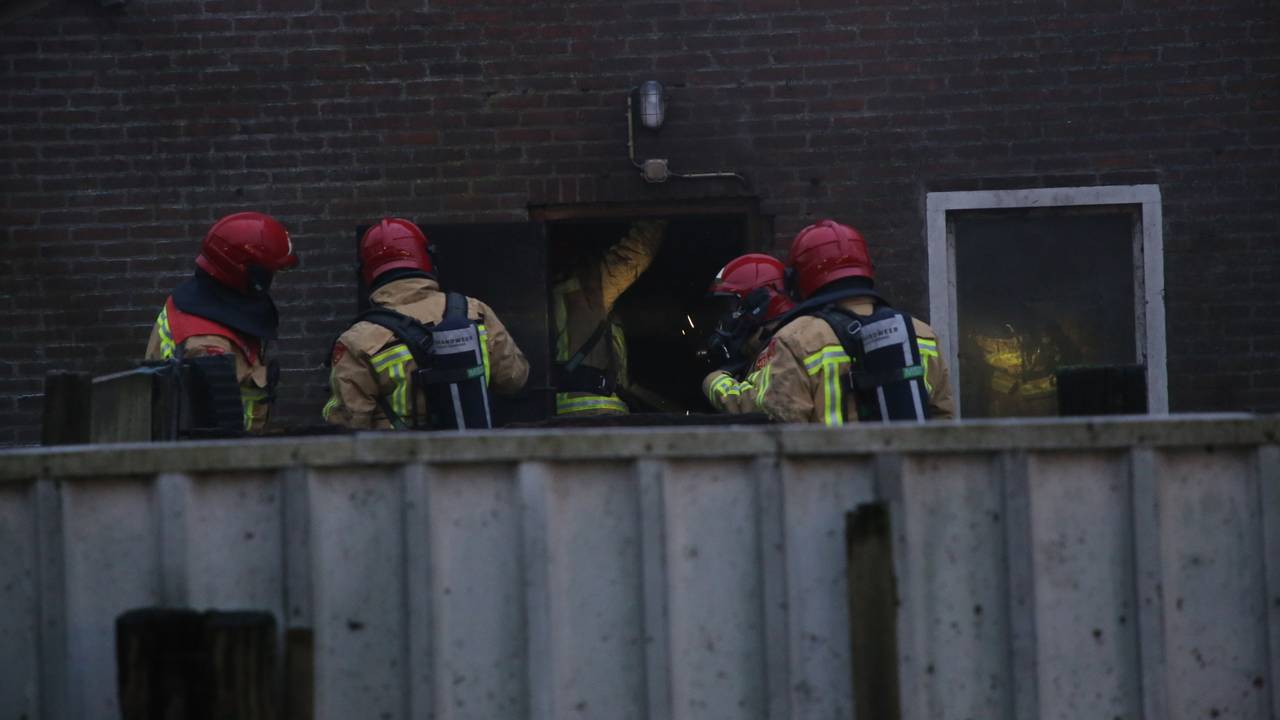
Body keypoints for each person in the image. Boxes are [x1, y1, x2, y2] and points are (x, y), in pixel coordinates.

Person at [322, 218, 529, 430]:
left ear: (365, 274)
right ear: (428, 259)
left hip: (399, 460)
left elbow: (348, 422)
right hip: (472, 451)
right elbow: (513, 378)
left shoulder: (358, 340)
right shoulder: (474, 311)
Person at [754, 219, 955, 424]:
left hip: (832, 457)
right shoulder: (922, 334)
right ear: (868, 268)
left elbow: (784, 427)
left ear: (797, 279)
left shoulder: (795, 340)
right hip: (905, 456)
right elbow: (943, 421)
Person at [145, 211, 298, 433]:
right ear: (245, 273)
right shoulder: (206, 345)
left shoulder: (201, 303)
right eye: (268, 275)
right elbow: (216, 430)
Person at [550, 219, 666, 416]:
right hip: (596, 413)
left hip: (568, 412)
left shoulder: (547, 294)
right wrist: (661, 214)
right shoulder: (588, 292)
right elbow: (636, 254)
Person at [698, 253, 796, 414]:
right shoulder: (763, 343)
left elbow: (759, 405)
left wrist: (713, 382)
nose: (730, 315)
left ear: (759, 304)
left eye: (734, 307)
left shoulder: (783, 346)